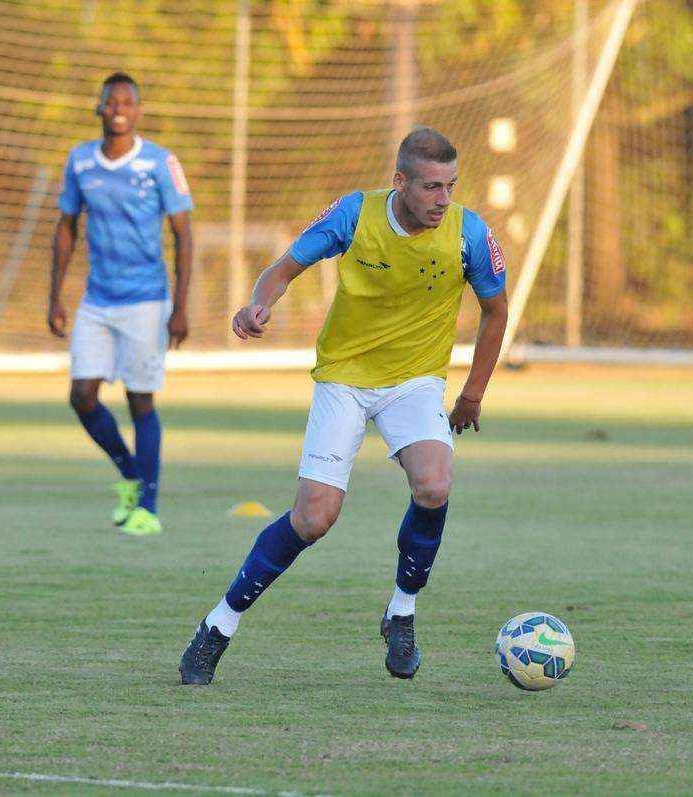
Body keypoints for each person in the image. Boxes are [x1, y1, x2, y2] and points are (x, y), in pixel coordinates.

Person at [178, 127, 508, 685]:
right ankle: (218, 626)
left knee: (434, 484)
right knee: (314, 518)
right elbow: (282, 269)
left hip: (415, 381)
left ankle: (401, 612)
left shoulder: (469, 233)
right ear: (399, 181)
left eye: (450, 186)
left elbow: (496, 311)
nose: (442, 200)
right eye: (430, 187)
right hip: (345, 379)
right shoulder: (355, 215)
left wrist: (471, 393)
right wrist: (258, 305)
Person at [47, 72, 194, 536]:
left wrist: (181, 305)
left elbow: (184, 234)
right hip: (97, 299)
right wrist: (55, 295)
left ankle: (148, 506)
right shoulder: (80, 161)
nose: (119, 108)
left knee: (140, 401)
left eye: (128, 101)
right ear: (99, 107)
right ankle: (132, 474)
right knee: (81, 395)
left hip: (147, 300)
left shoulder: (160, 162)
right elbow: (66, 227)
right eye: (112, 101)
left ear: (138, 110)